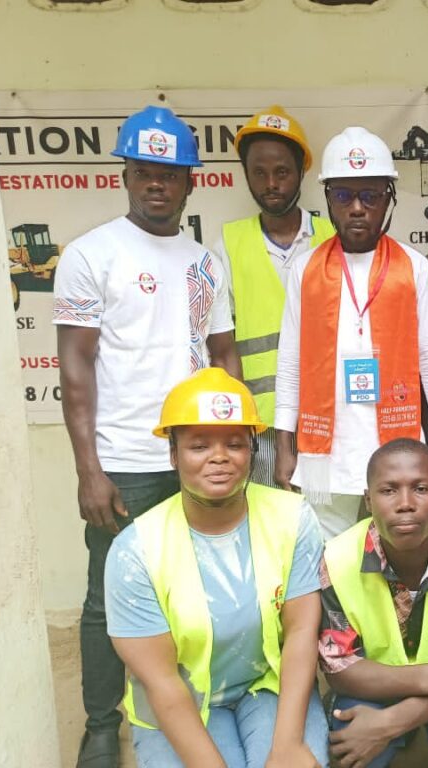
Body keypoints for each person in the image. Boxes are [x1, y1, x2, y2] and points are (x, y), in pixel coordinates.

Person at [53, 105, 240, 768]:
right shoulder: (90, 254)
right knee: (109, 597)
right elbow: (75, 366)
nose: (156, 185)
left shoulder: (204, 263)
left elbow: (224, 355)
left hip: (195, 459)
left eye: (170, 175)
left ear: (191, 182)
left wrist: (231, 445)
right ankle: (102, 726)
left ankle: (193, 702)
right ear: (126, 175)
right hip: (125, 462)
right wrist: (89, 470)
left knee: (201, 586)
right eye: (144, 172)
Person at [104, 368, 328, 767]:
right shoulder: (134, 551)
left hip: (270, 687)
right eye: (199, 445)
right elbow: (163, 683)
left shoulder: (292, 518)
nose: (219, 457)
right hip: (179, 703)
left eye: (235, 444)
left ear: (252, 451)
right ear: (173, 454)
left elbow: (300, 633)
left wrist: (288, 745)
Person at [274, 127, 428, 538]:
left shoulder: (413, 268)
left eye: (369, 196)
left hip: (398, 451)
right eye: (343, 196)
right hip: (326, 456)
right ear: (328, 201)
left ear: (388, 199)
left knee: (398, 561)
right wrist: (285, 446)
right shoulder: (305, 270)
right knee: (326, 564)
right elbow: (290, 361)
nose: (357, 208)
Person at [318, 438, 428, 768]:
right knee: (350, 737)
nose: (405, 503)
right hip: (374, 689)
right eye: (388, 490)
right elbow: (339, 667)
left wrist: (389, 724)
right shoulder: (336, 557)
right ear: (368, 500)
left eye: (420, 488)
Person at [213, 106, 335, 486]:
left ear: (301, 172)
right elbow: (222, 346)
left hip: (330, 417)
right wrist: (237, 425)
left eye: (282, 172)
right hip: (260, 424)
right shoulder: (228, 245)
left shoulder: (334, 238)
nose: (271, 184)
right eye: (259, 172)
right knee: (268, 527)